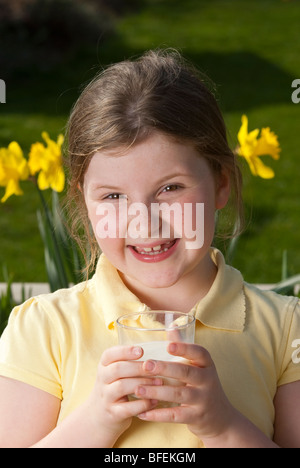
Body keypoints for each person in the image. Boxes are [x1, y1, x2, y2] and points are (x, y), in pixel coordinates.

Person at [0, 49, 299, 448]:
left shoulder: (284, 331)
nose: (144, 220)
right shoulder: (43, 329)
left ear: (221, 183)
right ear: (83, 201)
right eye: (113, 196)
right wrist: (95, 423)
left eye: (170, 188)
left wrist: (223, 425)